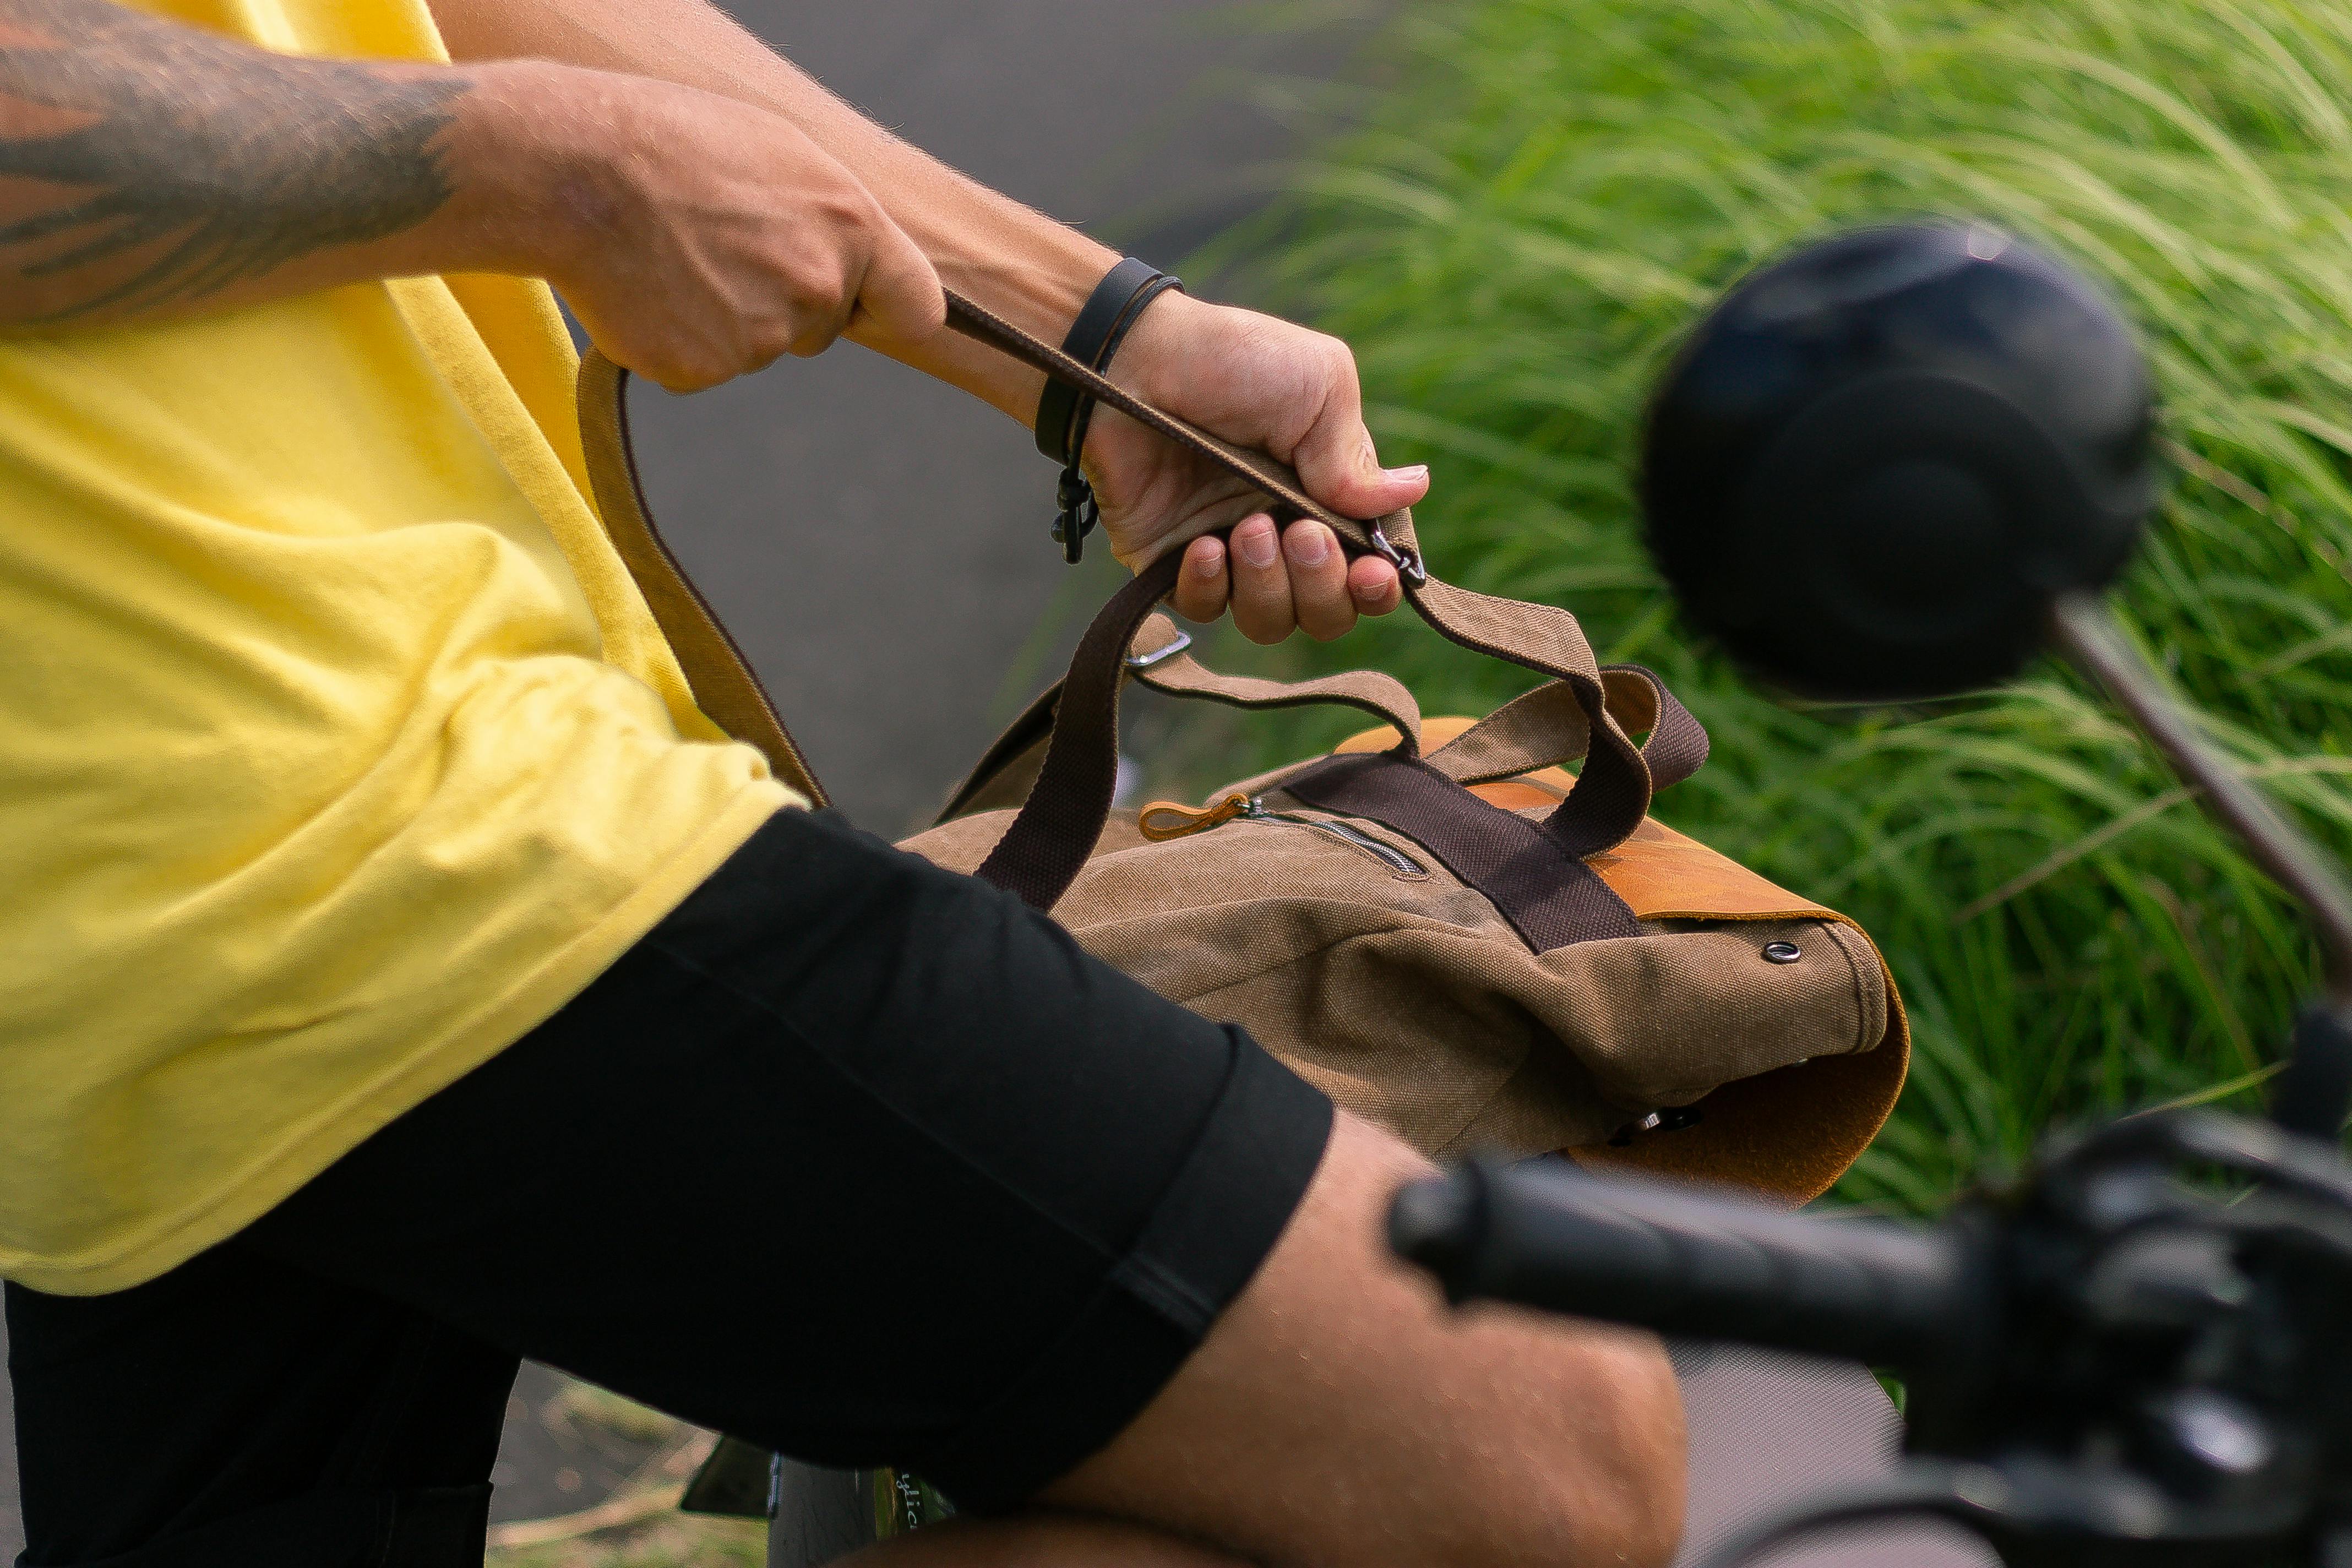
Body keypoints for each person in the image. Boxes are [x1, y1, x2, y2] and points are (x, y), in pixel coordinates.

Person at [0, 2, 1686, 1564]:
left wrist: (1105, 340)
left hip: (128, 865)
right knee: (1544, 1453)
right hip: (329, 804)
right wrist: (550, 164)